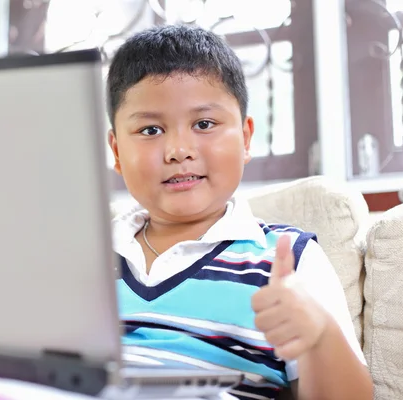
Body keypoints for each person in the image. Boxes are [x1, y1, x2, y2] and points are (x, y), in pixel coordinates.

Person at [108, 25, 373, 400]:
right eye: (151, 130)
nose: (178, 150)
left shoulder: (286, 261)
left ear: (246, 139)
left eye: (204, 124)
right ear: (117, 152)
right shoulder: (86, 257)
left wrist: (319, 336)